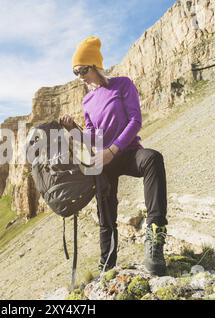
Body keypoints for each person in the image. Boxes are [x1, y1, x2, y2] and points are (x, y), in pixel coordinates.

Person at [60, 36, 168, 276]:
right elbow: (91, 136)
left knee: (152, 158)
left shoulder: (122, 85)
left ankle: (154, 241)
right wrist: (73, 129)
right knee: (106, 213)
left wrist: (112, 150)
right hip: (103, 161)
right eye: (75, 72)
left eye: (83, 69)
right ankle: (106, 266)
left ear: (96, 66)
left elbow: (135, 120)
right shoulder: (87, 101)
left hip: (126, 152)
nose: (80, 76)